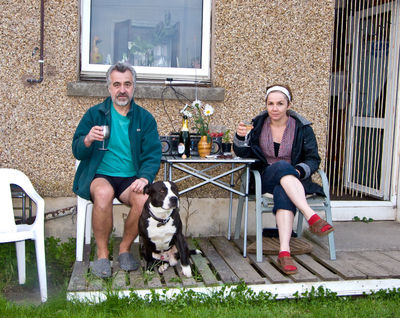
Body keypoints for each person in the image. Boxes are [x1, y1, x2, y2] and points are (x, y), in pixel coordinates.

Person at [72, 62, 162, 278]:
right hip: (101, 175)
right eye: (117, 84)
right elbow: (77, 150)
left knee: (142, 200)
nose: (122, 90)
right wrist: (86, 140)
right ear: (109, 88)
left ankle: (124, 249)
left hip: (131, 178)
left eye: (127, 84)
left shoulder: (145, 118)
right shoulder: (95, 114)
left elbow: (153, 153)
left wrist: (144, 177)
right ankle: (102, 254)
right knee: (103, 194)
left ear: (133, 87)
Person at [233, 84, 334, 275]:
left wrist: (297, 171)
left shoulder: (302, 129)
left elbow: (313, 159)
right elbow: (242, 153)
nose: (275, 108)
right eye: (270, 103)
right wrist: (239, 137)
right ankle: (311, 215)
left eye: (280, 103)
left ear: (289, 104)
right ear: (266, 105)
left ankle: (284, 252)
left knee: (283, 190)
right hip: (265, 177)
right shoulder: (256, 126)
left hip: (295, 180)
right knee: (280, 167)